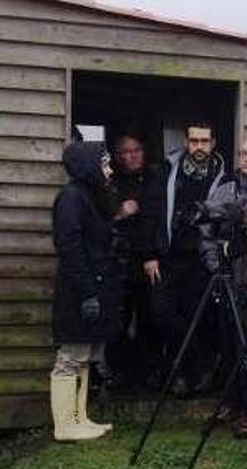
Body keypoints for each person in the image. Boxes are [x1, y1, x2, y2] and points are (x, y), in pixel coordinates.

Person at [198, 136, 247, 438]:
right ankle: (237, 402)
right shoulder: (223, 190)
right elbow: (205, 231)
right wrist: (213, 262)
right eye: (243, 153)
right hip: (228, 277)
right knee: (230, 345)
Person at [50, 141, 122, 442]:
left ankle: (80, 418)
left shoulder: (89, 195)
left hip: (94, 285)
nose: (110, 169)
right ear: (88, 166)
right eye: (104, 163)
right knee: (70, 357)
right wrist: (86, 293)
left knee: (84, 354)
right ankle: (65, 425)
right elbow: (69, 247)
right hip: (78, 291)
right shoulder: (71, 197)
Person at [158, 122, 228, 396]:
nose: (199, 147)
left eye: (204, 141)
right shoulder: (168, 171)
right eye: (194, 141)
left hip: (202, 258)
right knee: (162, 314)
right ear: (186, 141)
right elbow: (156, 208)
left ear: (213, 143)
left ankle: (194, 375)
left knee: (199, 318)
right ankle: (176, 371)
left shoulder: (222, 177)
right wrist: (153, 252)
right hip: (171, 255)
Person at [104, 133, 166, 392]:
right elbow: (95, 219)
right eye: (125, 152)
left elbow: (156, 218)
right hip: (117, 261)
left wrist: (151, 255)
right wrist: (119, 213)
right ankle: (121, 373)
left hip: (151, 261)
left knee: (152, 317)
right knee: (117, 319)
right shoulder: (109, 182)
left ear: (144, 151)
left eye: (135, 150)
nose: (131, 156)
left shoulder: (157, 178)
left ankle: (150, 372)